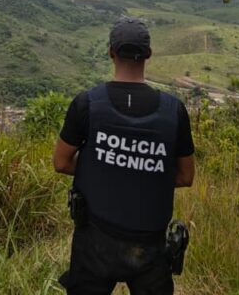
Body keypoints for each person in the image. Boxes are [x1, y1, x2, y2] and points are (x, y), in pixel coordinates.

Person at [53, 16, 196, 295]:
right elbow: (185, 176)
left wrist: (105, 167)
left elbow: (61, 162)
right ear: (149, 54)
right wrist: (141, 168)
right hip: (150, 243)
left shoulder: (87, 103)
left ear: (110, 52)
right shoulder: (173, 111)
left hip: (95, 239)